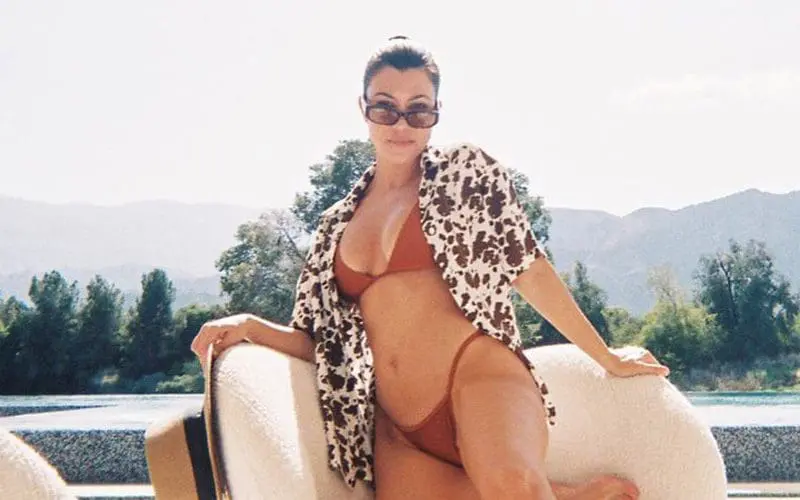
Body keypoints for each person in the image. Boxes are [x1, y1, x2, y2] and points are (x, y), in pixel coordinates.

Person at [192, 36, 670, 500]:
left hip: (479, 376)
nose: (401, 124)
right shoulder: (334, 225)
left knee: (514, 488)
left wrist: (605, 357)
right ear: (363, 109)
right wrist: (250, 327)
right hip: (400, 429)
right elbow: (320, 343)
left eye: (418, 110)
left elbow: (528, 269)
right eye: (385, 108)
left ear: (436, 112)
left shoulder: (465, 173)